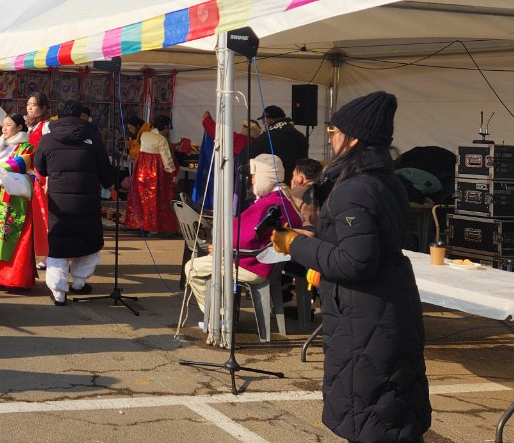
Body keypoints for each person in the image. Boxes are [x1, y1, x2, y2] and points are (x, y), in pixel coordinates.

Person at [273, 92, 431, 443]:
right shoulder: (384, 179)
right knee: (391, 414)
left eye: (333, 131)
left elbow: (356, 261)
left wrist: (295, 244)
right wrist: (313, 236)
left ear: (354, 137)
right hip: (385, 306)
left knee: (372, 418)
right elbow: (363, 241)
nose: (329, 138)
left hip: (367, 315)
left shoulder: (355, 188)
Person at [184, 154, 303, 317]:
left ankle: (217, 317)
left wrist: (220, 246)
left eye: (254, 176)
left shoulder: (270, 203)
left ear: (264, 176)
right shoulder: (284, 198)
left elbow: (241, 237)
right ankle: (221, 314)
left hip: (254, 266)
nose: (252, 181)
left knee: (192, 267)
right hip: (266, 264)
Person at [33, 100, 114, 305]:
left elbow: (40, 169)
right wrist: (110, 184)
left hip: (58, 203)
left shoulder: (47, 140)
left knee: (59, 244)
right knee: (87, 241)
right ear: (80, 116)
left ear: (57, 116)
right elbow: (106, 173)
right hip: (87, 202)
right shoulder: (93, 139)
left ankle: (59, 293)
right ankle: (79, 283)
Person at [0, 88, 52, 268]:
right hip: (18, 177)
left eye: (33, 105)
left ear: (43, 108)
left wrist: (49, 178)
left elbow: (51, 152)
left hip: (37, 174)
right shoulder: (25, 124)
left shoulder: (46, 126)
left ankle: (46, 255)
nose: (29, 108)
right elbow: (6, 121)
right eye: (28, 104)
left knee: (42, 217)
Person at [0, 112, 36, 290]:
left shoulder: (26, 147)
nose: (4, 128)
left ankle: (12, 278)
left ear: (19, 128)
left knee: (8, 233)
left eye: (9, 125)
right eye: (3, 125)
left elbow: (21, 164)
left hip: (12, 197)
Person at [125, 115, 178, 234]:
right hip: (155, 174)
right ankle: (153, 228)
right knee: (155, 200)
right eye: (167, 129)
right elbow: (167, 160)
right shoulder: (161, 140)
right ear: (164, 128)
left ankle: (140, 224)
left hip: (141, 172)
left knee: (141, 199)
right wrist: (173, 174)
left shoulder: (144, 135)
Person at [249, 105, 309, 180]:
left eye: (264, 122)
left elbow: (248, 156)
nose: (264, 125)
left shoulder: (266, 138)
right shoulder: (300, 136)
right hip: (297, 181)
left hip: (276, 183)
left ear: (269, 121)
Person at [290, 158, 323, 227]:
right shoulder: (330, 189)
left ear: (300, 178)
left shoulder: (296, 193)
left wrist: (292, 192)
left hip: (304, 232)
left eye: (293, 175)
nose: (292, 179)